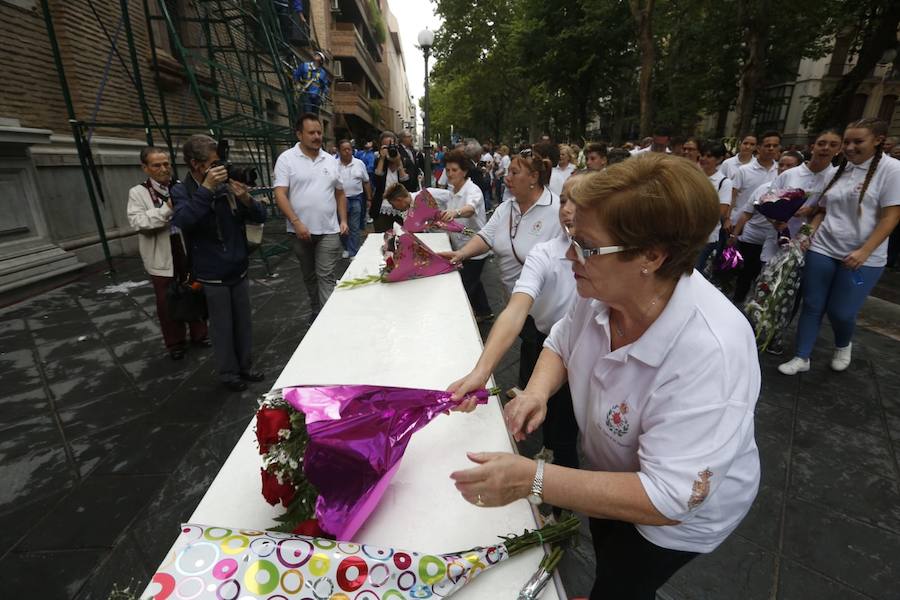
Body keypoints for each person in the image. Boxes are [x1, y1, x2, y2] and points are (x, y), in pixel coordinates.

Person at [450, 153, 760, 599]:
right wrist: (538, 391)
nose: (571, 254)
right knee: (608, 552)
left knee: (626, 578)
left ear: (651, 256)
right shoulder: (601, 288)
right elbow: (561, 341)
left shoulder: (712, 351)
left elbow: (670, 497)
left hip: (674, 523)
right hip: (614, 474)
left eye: (587, 246)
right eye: (572, 237)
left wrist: (532, 479)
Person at [449, 175, 580, 469]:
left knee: (568, 431)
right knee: (544, 408)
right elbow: (515, 310)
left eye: (579, 202)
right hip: (551, 342)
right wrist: (481, 372)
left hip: (584, 357)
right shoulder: (546, 252)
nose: (567, 209)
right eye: (563, 201)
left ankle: (559, 498)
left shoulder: (609, 259)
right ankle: (548, 456)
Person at [779, 118, 900, 375]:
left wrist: (865, 251)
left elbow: (892, 217)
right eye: (847, 141)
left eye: (858, 141)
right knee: (812, 304)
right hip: (823, 247)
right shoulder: (839, 170)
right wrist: (805, 214)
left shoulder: (892, 170)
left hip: (862, 255)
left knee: (841, 312)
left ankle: (843, 344)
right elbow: (823, 207)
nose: (850, 147)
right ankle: (802, 356)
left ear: (878, 140)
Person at [172, 135, 267, 391]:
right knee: (223, 328)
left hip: (238, 265)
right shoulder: (183, 190)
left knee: (243, 323)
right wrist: (206, 189)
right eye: (214, 163)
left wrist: (246, 198)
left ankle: (246, 366)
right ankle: (229, 374)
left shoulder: (227, 186)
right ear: (196, 164)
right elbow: (184, 220)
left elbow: (261, 215)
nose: (220, 168)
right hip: (212, 272)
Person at [127, 147, 210, 360]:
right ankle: (175, 342)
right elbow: (138, 222)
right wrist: (167, 208)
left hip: (185, 247)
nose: (163, 169)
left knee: (194, 290)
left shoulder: (181, 187)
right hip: (160, 251)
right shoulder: (138, 192)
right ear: (145, 168)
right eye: (157, 165)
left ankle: (200, 334)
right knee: (167, 300)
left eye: (166, 164)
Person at [442, 153, 563, 295]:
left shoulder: (557, 211)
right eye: (508, 172)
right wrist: (461, 254)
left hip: (546, 307)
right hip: (512, 300)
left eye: (514, 173)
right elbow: (486, 236)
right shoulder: (506, 208)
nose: (507, 178)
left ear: (534, 177)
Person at [273, 113, 349, 323]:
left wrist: (343, 220)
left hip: (329, 230)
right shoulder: (286, 159)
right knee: (309, 276)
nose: (317, 136)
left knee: (325, 275)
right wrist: (296, 222)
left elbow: (340, 192)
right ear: (299, 134)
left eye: (319, 132)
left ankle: (327, 320)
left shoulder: (330, 160)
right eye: (311, 132)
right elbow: (280, 193)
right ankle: (316, 311)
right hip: (299, 232)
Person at [729, 148, 799, 304]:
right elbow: (747, 213)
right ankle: (739, 303)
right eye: (781, 165)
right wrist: (735, 234)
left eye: (790, 166)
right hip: (753, 237)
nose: (784, 169)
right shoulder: (764, 188)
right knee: (746, 273)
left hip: (784, 243)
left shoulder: (800, 193)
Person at [435, 149, 491, 320]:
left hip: (475, 247)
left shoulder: (472, 190)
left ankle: (458, 320)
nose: (450, 174)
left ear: (465, 171)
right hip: (460, 246)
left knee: (463, 287)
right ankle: (484, 310)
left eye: (454, 170)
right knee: (473, 281)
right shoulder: (452, 191)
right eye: (448, 170)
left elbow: (470, 209)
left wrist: (456, 212)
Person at [726, 131, 781, 236]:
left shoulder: (781, 171)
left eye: (775, 146)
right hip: (739, 224)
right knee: (731, 252)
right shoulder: (744, 170)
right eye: (767, 145)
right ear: (759, 148)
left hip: (768, 228)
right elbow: (732, 195)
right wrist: (727, 218)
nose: (771, 148)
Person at [695, 141, 733, 273]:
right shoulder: (692, 176)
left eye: (709, 156)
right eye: (702, 155)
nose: (704, 159)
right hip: (684, 234)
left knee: (694, 272)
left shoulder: (724, 182)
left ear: (719, 159)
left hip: (705, 237)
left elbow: (721, 211)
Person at [370, 130, 414, 232]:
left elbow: (409, 185)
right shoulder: (379, 161)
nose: (389, 149)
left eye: (391, 145)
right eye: (385, 146)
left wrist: (399, 163)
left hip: (402, 208)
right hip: (382, 208)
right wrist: (382, 158)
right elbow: (376, 182)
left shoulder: (404, 160)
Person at [336, 139, 372, 258]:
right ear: (339, 151)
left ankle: (353, 251)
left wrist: (369, 199)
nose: (347, 152)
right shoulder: (334, 164)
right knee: (342, 226)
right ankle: (346, 247)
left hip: (356, 199)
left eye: (349, 149)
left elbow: (366, 182)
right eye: (344, 150)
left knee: (355, 227)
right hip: (340, 200)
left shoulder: (359, 163)